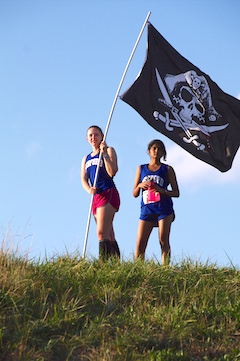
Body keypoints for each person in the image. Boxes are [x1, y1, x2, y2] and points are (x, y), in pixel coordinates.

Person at [133, 139, 180, 265]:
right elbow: (134, 193)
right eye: (154, 148)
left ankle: (165, 269)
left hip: (163, 209)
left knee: (163, 240)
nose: (156, 151)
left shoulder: (167, 169)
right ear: (149, 151)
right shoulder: (141, 168)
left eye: (159, 149)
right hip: (147, 209)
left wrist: (162, 190)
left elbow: (176, 192)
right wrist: (140, 185)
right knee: (140, 243)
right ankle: (138, 269)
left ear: (163, 152)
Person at [81, 125, 120, 260]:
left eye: (96, 134)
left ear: (102, 136)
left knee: (101, 233)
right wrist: (88, 189)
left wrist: (104, 155)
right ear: (87, 138)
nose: (93, 137)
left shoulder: (109, 150)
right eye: (90, 135)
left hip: (108, 192)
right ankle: (116, 265)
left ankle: (102, 265)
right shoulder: (86, 159)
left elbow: (112, 172)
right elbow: (83, 178)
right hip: (96, 196)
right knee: (109, 234)